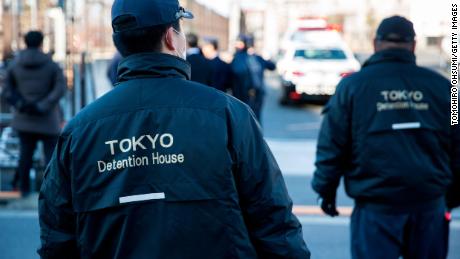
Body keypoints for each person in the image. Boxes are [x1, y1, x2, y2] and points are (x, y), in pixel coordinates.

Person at [38, 1, 310, 258]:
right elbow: (273, 220)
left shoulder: (80, 131)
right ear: (171, 37)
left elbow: (56, 237)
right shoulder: (227, 114)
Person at [311, 16, 460, 259]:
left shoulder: (353, 87)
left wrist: (325, 191)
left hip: (376, 209)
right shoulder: (444, 88)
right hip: (428, 206)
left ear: (375, 43)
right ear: (413, 45)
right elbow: (458, 146)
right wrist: (451, 197)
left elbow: (332, 146)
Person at [1, 31, 66, 197]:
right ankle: (51, 192)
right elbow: (60, 88)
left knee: (25, 156)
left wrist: (21, 103)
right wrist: (43, 105)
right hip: (47, 118)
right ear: (41, 43)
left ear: (25, 42)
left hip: (24, 118)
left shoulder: (15, 64)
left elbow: (7, 89)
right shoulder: (51, 64)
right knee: (51, 158)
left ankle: (24, 190)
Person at [231, 35, 275, 122]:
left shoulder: (239, 57)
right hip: (257, 93)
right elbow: (272, 66)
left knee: (244, 119)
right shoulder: (257, 57)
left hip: (243, 94)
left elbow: (236, 72)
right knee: (255, 118)